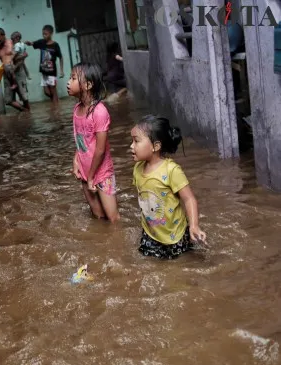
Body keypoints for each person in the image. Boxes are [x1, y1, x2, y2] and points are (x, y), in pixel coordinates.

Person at [130, 116, 207, 259]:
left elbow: (189, 199)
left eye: (136, 141)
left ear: (156, 146)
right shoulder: (137, 169)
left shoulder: (171, 170)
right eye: (132, 141)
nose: (131, 146)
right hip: (151, 233)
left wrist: (194, 226)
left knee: (182, 264)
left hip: (175, 235)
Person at [66, 62, 120, 222]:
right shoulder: (77, 109)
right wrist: (76, 160)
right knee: (98, 215)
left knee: (113, 217)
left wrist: (91, 177)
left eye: (73, 78)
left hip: (101, 173)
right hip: (85, 171)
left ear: (88, 85)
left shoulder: (99, 112)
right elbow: (81, 139)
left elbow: (100, 150)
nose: (68, 82)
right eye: (70, 78)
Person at [0, 28, 29, 111]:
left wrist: (16, 64)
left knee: (24, 97)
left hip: (17, 71)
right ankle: (25, 111)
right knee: (8, 100)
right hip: (7, 74)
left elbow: (23, 54)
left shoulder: (11, 42)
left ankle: (28, 115)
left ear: (3, 35)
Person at [26, 25, 64, 106]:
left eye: (46, 34)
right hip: (44, 72)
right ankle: (56, 101)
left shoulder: (55, 45)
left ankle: (56, 108)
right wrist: (29, 43)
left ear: (51, 34)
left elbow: (60, 57)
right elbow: (33, 43)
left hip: (52, 72)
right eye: (43, 34)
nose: (44, 35)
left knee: (53, 90)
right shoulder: (41, 42)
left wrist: (61, 70)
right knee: (46, 92)